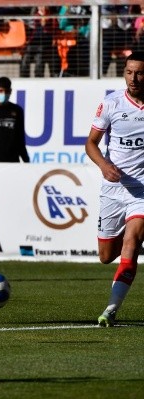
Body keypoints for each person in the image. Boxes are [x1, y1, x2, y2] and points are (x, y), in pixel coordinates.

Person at [85, 51, 144, 327]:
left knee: (132, 243)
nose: (134, 78)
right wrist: (104, 165)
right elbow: (91, 144)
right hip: (113, 188)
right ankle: (126, 262)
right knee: (106, 256)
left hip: (141, 191)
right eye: (129, 72)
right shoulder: (111, 103)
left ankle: (110, 309)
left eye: (140, 72)